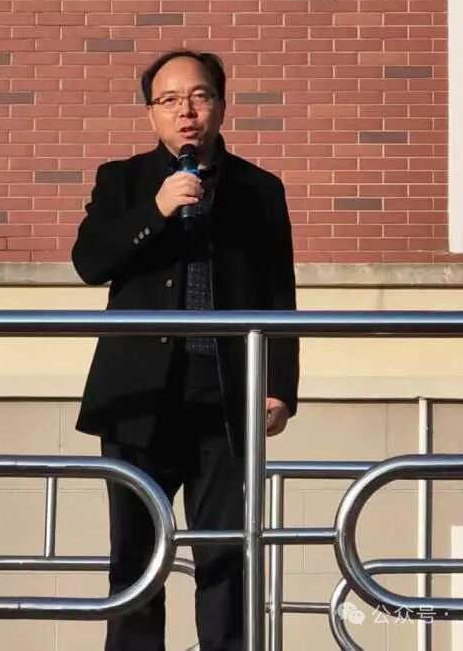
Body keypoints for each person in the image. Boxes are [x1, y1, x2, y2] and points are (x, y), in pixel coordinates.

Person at [71, 49, 300, 651]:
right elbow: (90, 262)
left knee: (226, 552)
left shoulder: (259, 189)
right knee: (135, 555)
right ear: (151, 114)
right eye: (170, 100)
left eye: (199, 96)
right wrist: (158, 208)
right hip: (138, 396)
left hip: (224, 392)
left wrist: (280, 385)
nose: (186, 111)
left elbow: (279, 294)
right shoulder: (121, 181)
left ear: (221, 105)